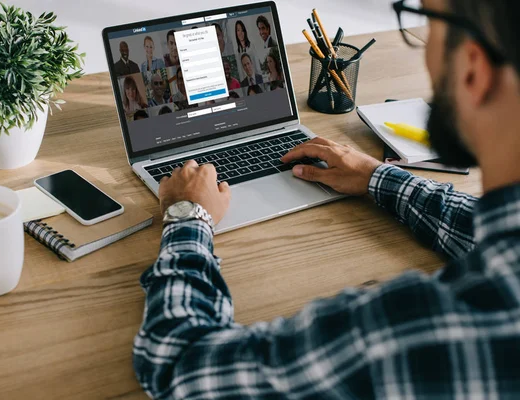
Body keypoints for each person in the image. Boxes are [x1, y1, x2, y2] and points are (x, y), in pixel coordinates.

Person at [133, 0, 520, 398]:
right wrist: (377, 177)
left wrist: (187, 214)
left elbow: (180, 363)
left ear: (473, 68)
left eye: (426, 21)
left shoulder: (414, 334)